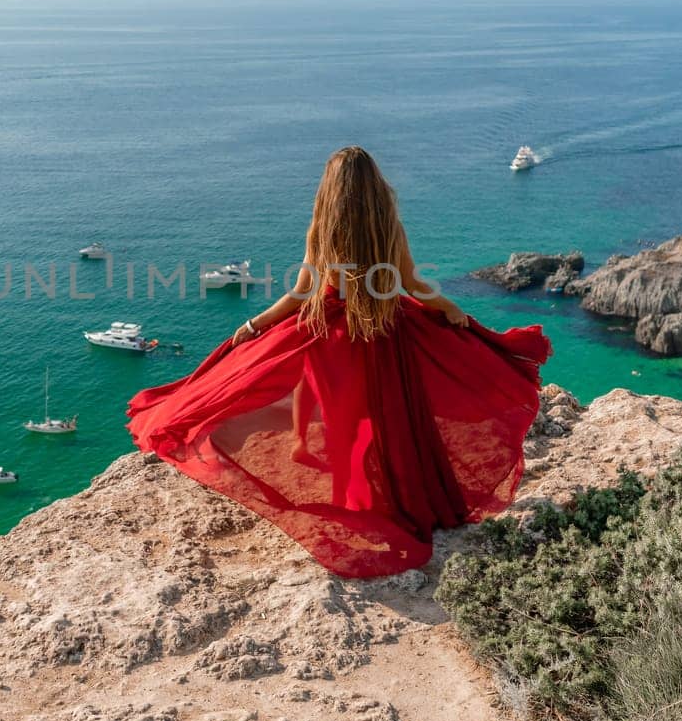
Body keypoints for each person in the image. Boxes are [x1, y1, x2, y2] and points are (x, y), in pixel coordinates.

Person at [127, 146, 550, 577]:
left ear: (329, 191)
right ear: (376, 186)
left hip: (334, 340)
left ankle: (354, 504)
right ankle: (404, 501)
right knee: (392, 423)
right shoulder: (389, 227)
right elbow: (412, 285)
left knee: (345, 426)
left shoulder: (322, 231)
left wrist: (255, 325)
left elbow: (298, 295)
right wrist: (449, 309)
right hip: (388, 337)